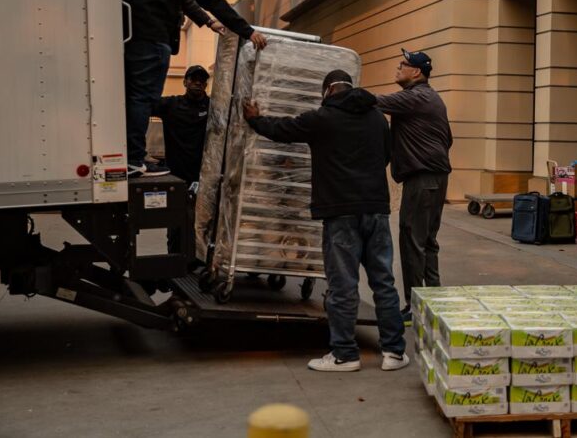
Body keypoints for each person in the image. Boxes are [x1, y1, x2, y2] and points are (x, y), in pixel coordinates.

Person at [242, 70, 408, 373]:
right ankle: (394, 353)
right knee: (383, 282)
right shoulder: (377, 118)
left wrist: (255, 118)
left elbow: (282, 130)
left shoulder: (322, 118)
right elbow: (385, 156)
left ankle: (345, 355)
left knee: (343, 286)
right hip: (375, 210)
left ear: (327, 90)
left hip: (340, 213)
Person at [121, 0, 266, 178]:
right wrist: (246, 30)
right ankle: (133, 159)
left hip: (125, 33)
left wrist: (207, 21)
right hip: (153, 36)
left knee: (130, 95)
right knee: (144, 96)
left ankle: (127, 152)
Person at [375, 49, 453, 322]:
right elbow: (448, 139)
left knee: (412, 241)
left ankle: (415, 306)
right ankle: (433, 300)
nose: (398, 68)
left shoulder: (415, 96)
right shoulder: (430, 97)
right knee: (427, 241)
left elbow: (376, 102)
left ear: (416, 72)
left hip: (423, 178)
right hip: (435, 176)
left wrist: (346, 95)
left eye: (403, 65)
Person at [152, 65, 212, 186]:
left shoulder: (213, 106)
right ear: (185, 82)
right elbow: (141, 107)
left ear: (206, 85)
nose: (198, 83)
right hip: (175, 175)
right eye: (193, 79)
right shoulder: (171, 105)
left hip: (203, 176)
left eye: (202, 80)